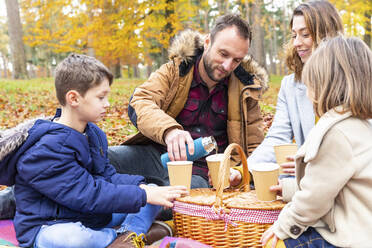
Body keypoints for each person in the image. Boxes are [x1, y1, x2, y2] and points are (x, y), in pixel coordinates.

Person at [9, 54, 187, 248]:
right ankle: (127, 237)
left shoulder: (94, 134)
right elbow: (87, 194)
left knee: (153, 193)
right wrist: (141, 195)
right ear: (74, 98)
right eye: (101, 97)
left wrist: (145, 189)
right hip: (49, 226)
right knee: (74, 239)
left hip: (91, 216)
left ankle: (127, 236)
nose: (107, 104)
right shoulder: (47, 149)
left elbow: (107, 176)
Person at [108, 14, 268, 190]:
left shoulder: (246, 91)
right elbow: (140, 101)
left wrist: (237, 172)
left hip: (203, 174)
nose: (227, 66)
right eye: (223, 54)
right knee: (100, 158)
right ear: (207, 42)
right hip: (158, 156)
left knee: (173, 200)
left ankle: (136, 197)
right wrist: (169, 131)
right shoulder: (176, 70)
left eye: (237, 60)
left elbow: (257, 148)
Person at [261, 36, 372, 247]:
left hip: (348, 239)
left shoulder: (336, 134)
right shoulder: (361, 126)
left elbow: (314, 200)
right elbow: (337, 185)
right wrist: (289, 188)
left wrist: (283, 226)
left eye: (309, 84)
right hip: (364, 230)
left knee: (274, 244)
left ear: (325, 86)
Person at [229, 0, 344, 185]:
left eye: (305, 34)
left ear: (326, 34)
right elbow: (277, 138)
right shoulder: (290, 86)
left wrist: (313, 168)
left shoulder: (354, 82)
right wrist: (243, 171)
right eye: (294, 35)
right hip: (307, 186)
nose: (297, 43)